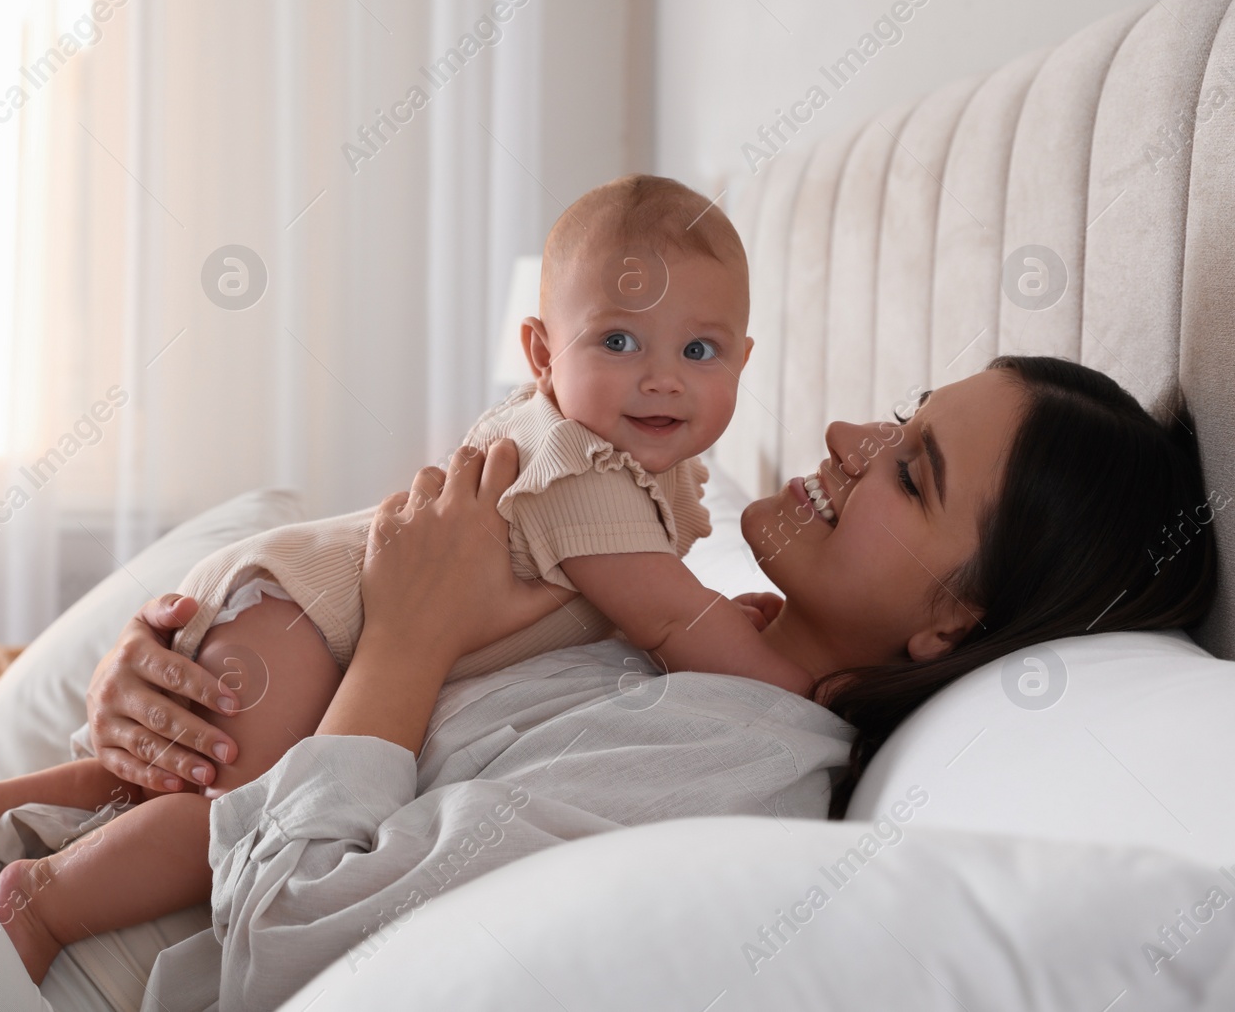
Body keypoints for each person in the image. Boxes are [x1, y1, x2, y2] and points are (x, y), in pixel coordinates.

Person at [81, 355, 1217, 1009]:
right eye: (901, 410)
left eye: (908, 469)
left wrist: (406, 638)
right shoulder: (672, 617)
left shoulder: (731, 761)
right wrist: (162, 691)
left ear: (952, 623)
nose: (842, 433)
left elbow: (289, 935)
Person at [0, 173, 819, 981]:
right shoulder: (586, 469)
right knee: (240, 819)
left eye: (698, 352)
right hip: (310, 616)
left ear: (743, 358)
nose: (660, 380)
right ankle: (45, 899)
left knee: (185, 783)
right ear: (543, 355)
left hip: (288, 597)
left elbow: (651, 608)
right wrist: (803, 682)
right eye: (619, 341)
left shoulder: (652, 471)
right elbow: (672, 623)